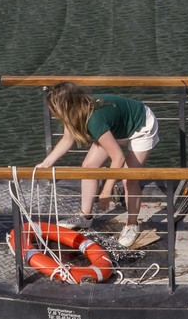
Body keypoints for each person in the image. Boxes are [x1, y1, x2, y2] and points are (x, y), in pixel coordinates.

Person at [37, 82, 159, 246]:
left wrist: (106, 190)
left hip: (141, 126)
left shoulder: (94, 119)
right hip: (117, 128)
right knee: (89, 166)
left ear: (66, 106)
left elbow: (117, 158)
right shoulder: (74, 111)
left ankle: (132, 225)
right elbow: (67, 140)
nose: (54, 113)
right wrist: (46, 163)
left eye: (55, 109)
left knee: (128, 179)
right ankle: (85, 217)